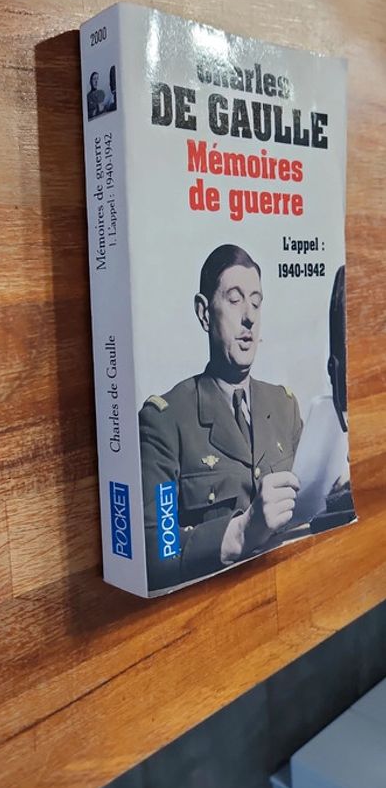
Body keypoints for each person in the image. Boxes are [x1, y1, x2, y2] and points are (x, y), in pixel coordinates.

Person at [139, 244, 302, 589]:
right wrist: (240, 533)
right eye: (234, 299)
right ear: (204, 313)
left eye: (256, 302)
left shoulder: (284, 407)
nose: (249, 317)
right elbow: (157, 549)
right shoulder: (166, 422)